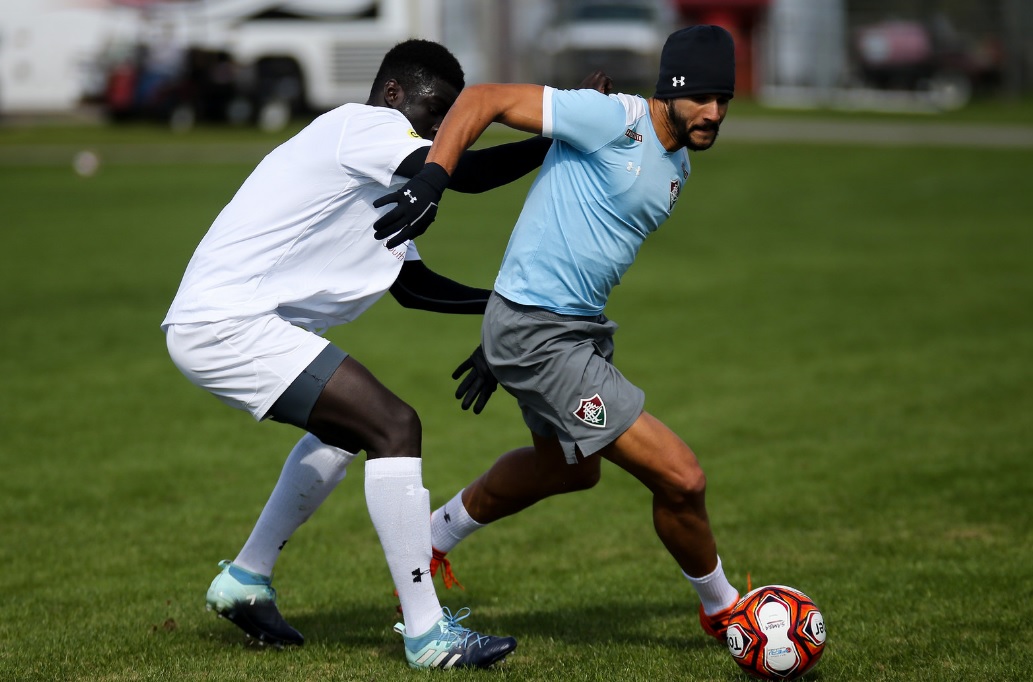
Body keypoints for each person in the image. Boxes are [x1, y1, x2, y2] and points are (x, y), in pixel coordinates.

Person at [161, 39, 597, 669]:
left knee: (343, 436)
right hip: (226, 322)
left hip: (228, 322)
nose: (444, 131)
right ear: (394, 95)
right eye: (437, 112)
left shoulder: (382, 173)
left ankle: (247, 579)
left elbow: (414, 287)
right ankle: (426, 635)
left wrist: (509, 309)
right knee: (395, 426)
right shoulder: (364, 128)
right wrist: (562, 137)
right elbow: (464, 174)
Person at [372, 26, 743, 642]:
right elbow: (484, 98)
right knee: (682, 477)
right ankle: (725, 609)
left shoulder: (678, 164)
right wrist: (432, 181)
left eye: (724, 100)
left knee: (570, 470)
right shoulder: (610, 120)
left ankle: (432, 539)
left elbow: (571, 240)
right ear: (671, 89)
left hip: (566, 330)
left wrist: (503, 337)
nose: (715, 113)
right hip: (543, 339)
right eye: (702, 97)